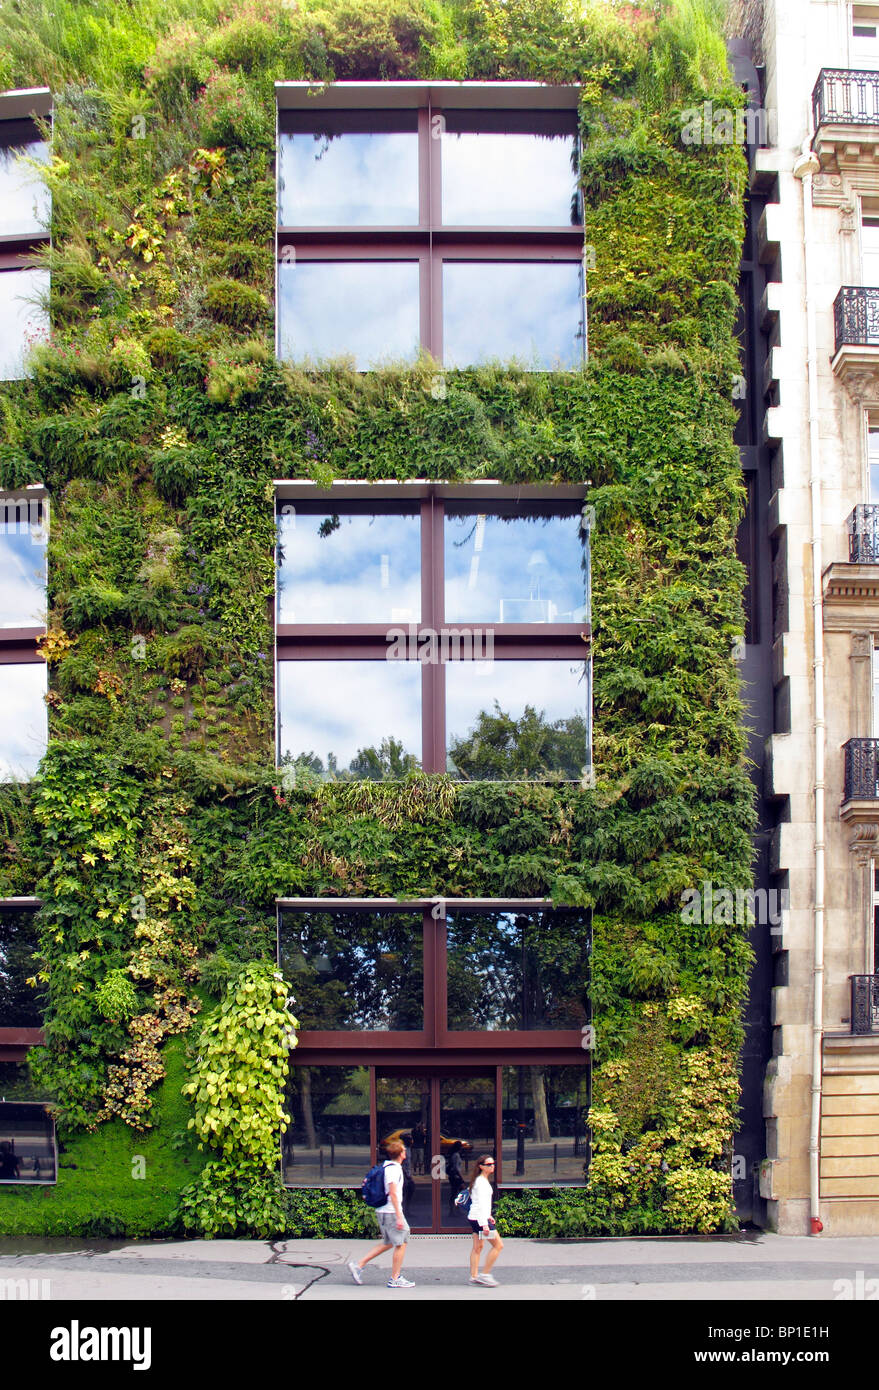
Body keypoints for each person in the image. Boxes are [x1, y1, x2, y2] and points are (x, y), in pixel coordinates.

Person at [348, 1138, 415, 1289]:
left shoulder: (385, 1166)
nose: (406, 1152)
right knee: (402, 1241)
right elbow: (393, 1193)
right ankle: (395, 1278)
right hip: (391, 1211)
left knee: (389, 1242)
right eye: (404, 1150)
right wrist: (399, 1215)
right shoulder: (395, 1169)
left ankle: (358, 1265)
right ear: (401, 1154)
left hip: (383, 1210)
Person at [468, 1153, 503, 1286]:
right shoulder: (481, 1182)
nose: (492, 1166)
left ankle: (474, 1276)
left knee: (478, 1247)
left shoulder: (479, 1180)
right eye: (489, 1164)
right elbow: (481, 1204)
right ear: (481, 1166)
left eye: (493, 1164)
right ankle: (485, 1274)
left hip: (476, 1217)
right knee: (498, 1245)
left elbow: (479, 1203)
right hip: (479, 1219)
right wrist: (485, 1224)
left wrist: (488, 1216)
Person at [446, 1140, 465, 1213]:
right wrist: (461, 1177)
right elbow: (456, 1168)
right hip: (456, 1176)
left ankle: (456, 1208)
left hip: (454, 1176)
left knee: (457, 1192)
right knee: (456, 1192)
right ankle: (454, 1209)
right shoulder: (456, 1155)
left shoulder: (454, 1155)